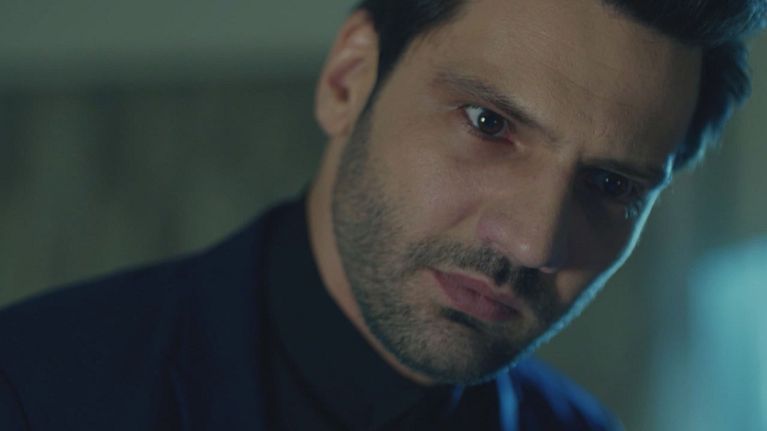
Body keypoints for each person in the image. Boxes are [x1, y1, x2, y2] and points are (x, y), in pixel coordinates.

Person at [1, 0, 764, 429]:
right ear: (347, 80)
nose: (532, 241)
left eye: (608, 184)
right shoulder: (34, 394)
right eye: (488, 124)